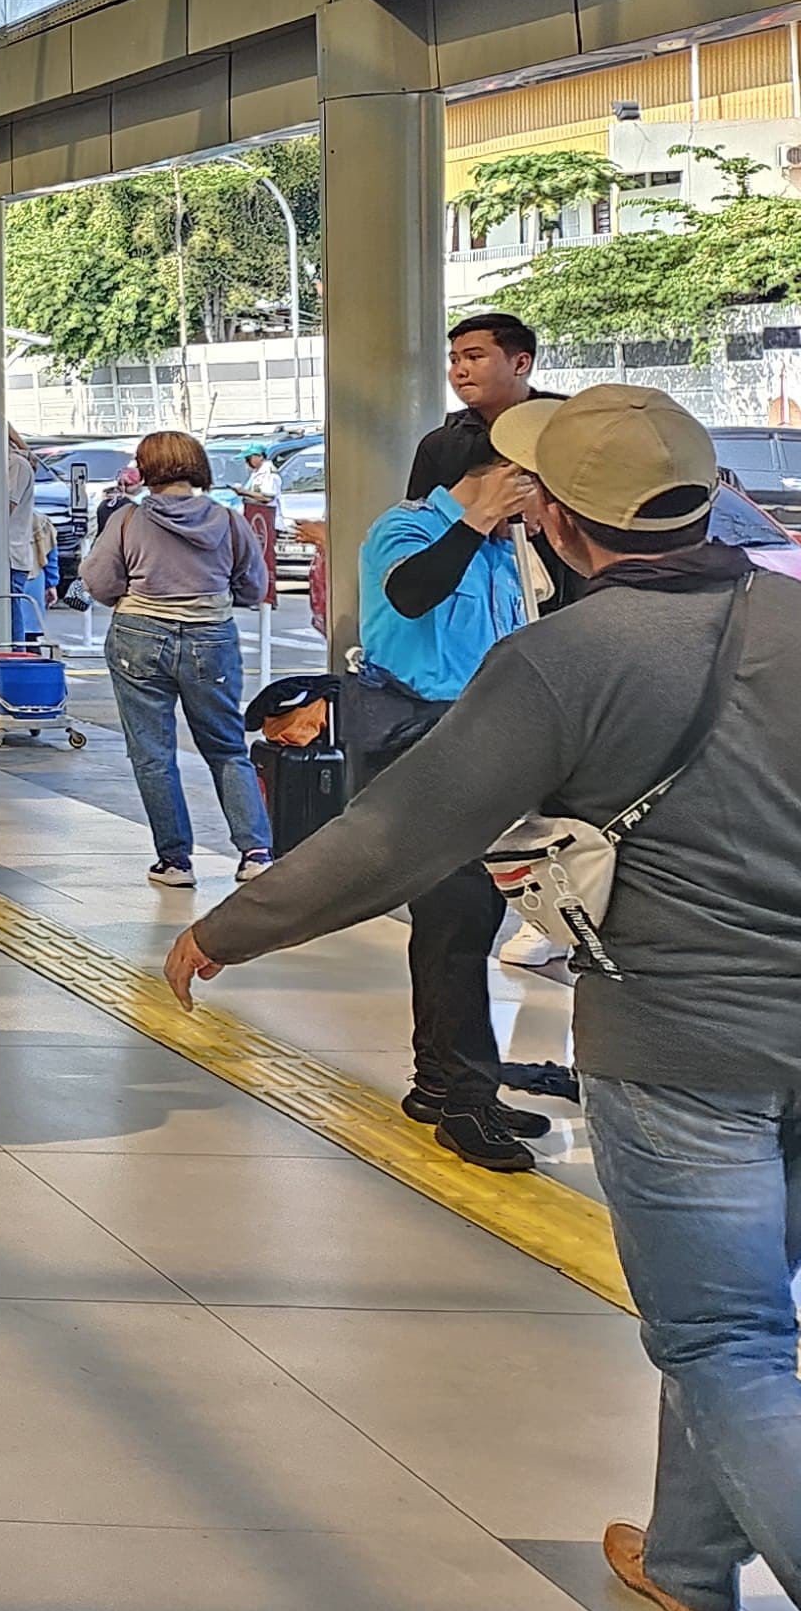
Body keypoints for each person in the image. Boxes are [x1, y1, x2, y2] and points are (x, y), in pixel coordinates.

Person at [162, 384, 801, 1611]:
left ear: (556, 522)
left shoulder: (563, 660)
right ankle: (688, 1562)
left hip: (682, 1043)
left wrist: (225, 929)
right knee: (742, 1320)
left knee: (725, 1336)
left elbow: (401, 833)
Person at [345, 412, 549, 1168]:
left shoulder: (506, 546)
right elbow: (412, 596)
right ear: (501, 472)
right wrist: (479, 518)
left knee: (462, 924)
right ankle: (462, 1102)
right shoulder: (405, 528)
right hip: (420, 737)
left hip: (480, 734)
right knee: (459, 917)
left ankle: (448, 1084)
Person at [79, 432, 275, 892]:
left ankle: (175, 861)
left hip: (139, 637)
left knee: (153, 754)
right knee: (227, 748)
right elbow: (253, 584)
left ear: (145, 470)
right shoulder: (228, 521)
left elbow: (98, 580)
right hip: (212, 638)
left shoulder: (128, 520)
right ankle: (256, 853)